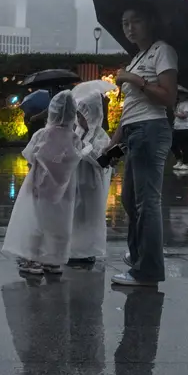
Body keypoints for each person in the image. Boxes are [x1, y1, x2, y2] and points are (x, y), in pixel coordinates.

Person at [107, 5, 177, 287]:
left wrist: (133, 79)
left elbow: (168, 97)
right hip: (135, 130)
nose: (130, 27)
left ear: (150, 22)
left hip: (151, 129)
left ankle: (147, 270)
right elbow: (130, 109)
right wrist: (112, 145)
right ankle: (138, 255)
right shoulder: (137, 57)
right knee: (129, 200)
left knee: (147, 203)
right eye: (125, 23)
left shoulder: (163, 51)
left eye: (136, 21)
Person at [3, 91, 82, 277]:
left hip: (41, 186)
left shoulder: (43, 134)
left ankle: (33, 259)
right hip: (66, 190)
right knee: (60, 224)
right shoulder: (74, 137)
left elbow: (30, 155)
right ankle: (54, 260)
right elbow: (77, 157)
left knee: (38, 221)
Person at [69, 91, 111, 265]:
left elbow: (103, 159)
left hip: (91, 182)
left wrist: (84, 147)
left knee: (90, 215)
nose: (80, 120)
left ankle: (87, 249)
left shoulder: (102, 136)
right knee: (75, 214)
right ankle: (73, 247)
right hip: (75, 179)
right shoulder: (77, 131)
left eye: (82, 116)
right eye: (78, 116)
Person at [170, 95, 188, 171]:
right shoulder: (179, 104)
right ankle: (179, 160)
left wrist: (175, 113)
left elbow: (184, 115)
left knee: (185, 146)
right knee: (173, 144)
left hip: (186, 127)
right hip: (177, 127)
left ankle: (185, 163)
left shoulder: (187, 104)